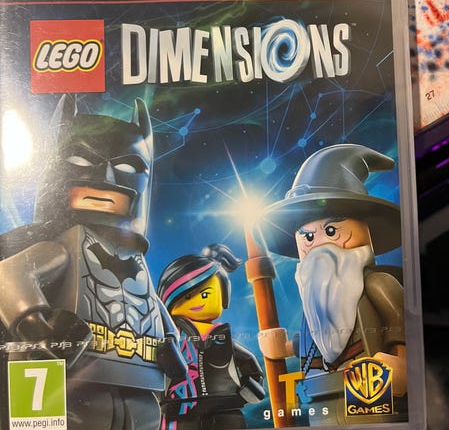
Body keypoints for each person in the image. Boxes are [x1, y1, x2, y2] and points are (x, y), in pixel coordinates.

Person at [0, 94, 186, 430]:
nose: (107, 177)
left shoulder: (134, 258)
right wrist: (38, 328)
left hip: (134, 383)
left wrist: (170, 344)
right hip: (57, 378)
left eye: (126, 167)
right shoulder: (61, 248)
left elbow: (153, 307)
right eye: (81, 160)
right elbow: (9, 275)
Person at [258, 143, 407, 425]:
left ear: (365, 231)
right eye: (308, 236)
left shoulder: (378, 285)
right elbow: (322, 335)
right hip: (320, 402)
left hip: (370, 399)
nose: (318, 245)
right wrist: (285, 348)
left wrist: (402, 364)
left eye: (331, 230)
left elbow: (399, 329)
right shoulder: (315, 298)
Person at [157, 243, 265, 430]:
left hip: (225, 410)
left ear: (224, 293)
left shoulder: (222, 337)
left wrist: (248, 391)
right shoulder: (171, 338)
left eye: (206, 294)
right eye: (187, 297)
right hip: (181, 412)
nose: (197, 301)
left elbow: (250, 366)